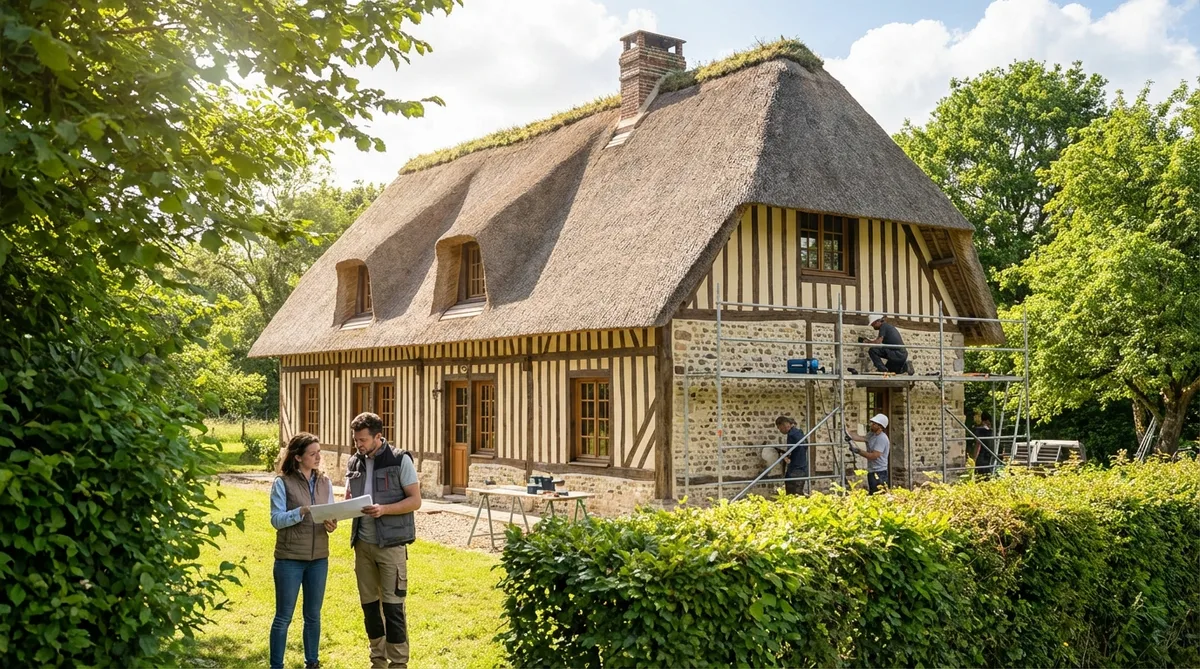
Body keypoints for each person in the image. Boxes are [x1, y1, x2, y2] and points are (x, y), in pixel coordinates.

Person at [346, 412, 421, 669]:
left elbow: (415, 501)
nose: (359, 445)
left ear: (379, 436)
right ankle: (377, 661)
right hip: (362, 546)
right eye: (356, 440)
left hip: (390, 545)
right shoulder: (353, 462)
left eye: (363, 440)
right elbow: (349, 500)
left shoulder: (400, 460)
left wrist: (384, 510)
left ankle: (398, 663)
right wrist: (335, 515)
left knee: (392, 607)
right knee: (369, 606)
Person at [269, 433, 337, 669]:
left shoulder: (324, 482)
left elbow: (330, 514)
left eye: (319, 452)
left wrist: (331, 524)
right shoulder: (282, 483)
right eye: (312, 453)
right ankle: (276, 665)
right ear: (298, 457)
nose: (318, 457)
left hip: (318, 558)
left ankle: (313, 662)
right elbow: (276, 520)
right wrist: (301, 511)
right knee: (283, 617)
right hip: (289, 559)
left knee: (313, 616)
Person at [845, 413, 891, 494]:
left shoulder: (882, 439)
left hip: (879, 472)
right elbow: (861, 438)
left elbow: (874, 456)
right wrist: (847, 433)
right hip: (872, 470)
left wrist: (858, 451)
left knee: (878, 495)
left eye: (874, 424)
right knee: (872, 494)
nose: (871, 425)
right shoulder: (872, 434)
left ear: (880, 426)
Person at [775, 416, 809, 495]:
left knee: (792, 494)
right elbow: (804, 446)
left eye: (780, 428)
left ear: (784, 425)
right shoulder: (799, 432)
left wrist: (786, 456)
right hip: (802, 467)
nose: (780, 430)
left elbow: (790, 450)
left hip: (795, 468)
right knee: (798, 493)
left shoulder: (791, 435)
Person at [972, 412, 997, 478]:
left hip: (982, 456)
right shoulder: (991, 431)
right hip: (990, 455)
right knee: (988, 474)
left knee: (980, 475)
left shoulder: (979, 430)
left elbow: (978, 445)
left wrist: (974, 457)